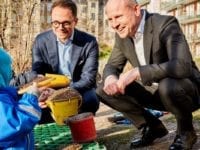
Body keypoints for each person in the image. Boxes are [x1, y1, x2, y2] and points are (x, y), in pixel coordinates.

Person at [96, 0, 200, 149]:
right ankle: (153, 128)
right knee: (102, 89)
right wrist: (111, 78)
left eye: (118, 16)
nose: (114, 24)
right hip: (156, 92)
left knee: (167, 85)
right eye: (110, 19)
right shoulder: (122, 35)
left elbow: (182, 66)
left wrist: (137, 72)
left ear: (136, 10)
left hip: (186, 91)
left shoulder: (166, 24)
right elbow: (112, 65)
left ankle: (186, 132)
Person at [31, 0, 99, 123]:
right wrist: (42, 90)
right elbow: (37, 72)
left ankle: (82, 127)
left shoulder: (89, 42)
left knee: (91, 99)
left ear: (75, 22)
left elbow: (89, 79)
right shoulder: (40, 41)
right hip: (50, 89)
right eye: (56, 23)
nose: (60, 28)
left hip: (77, 88)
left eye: (66, 23)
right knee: (35, 104)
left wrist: (64, 92)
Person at [0, 48, 41, 150]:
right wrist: (31, 98)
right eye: (9, 68)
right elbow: (16, 123)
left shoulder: (3, 94)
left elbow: (9, 96)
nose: (12, 72)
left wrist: (22, 93)